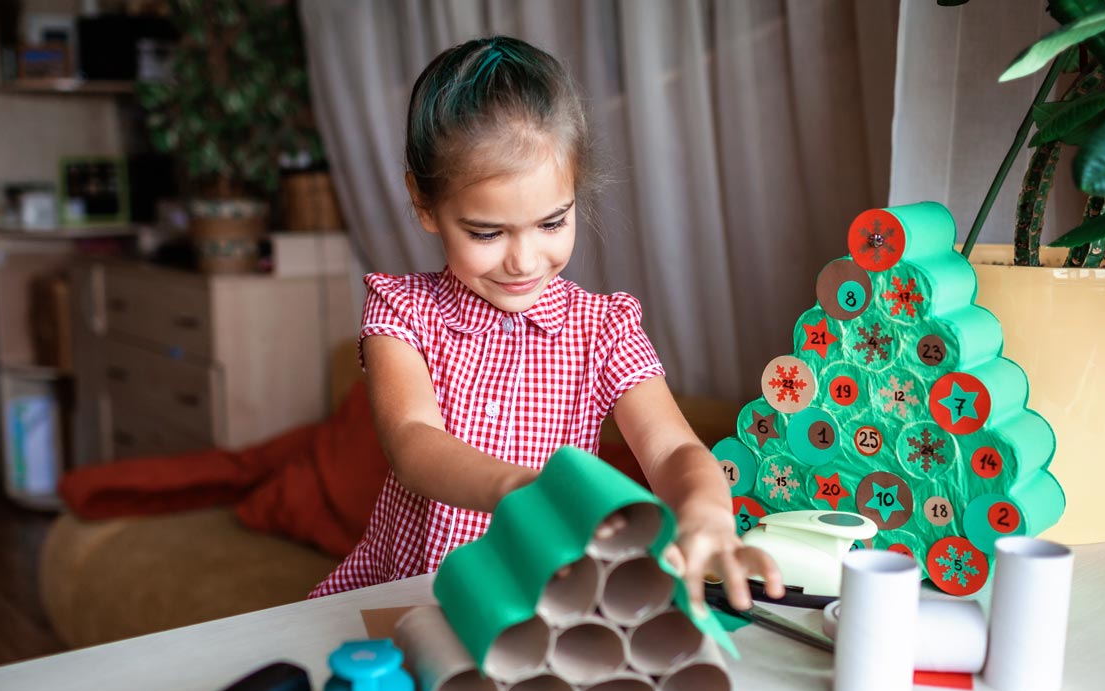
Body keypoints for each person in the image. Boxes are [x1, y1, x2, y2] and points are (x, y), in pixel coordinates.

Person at [308, 35, 783, 611]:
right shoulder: (402, 310)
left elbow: (671, 451)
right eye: (487, 233)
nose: (524, 260)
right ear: (424, 203)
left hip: (541, 601)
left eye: (552, 223)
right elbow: (413, 443)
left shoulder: (604, 327)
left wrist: (707, 513)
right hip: (410, 599)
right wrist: (526, 490)